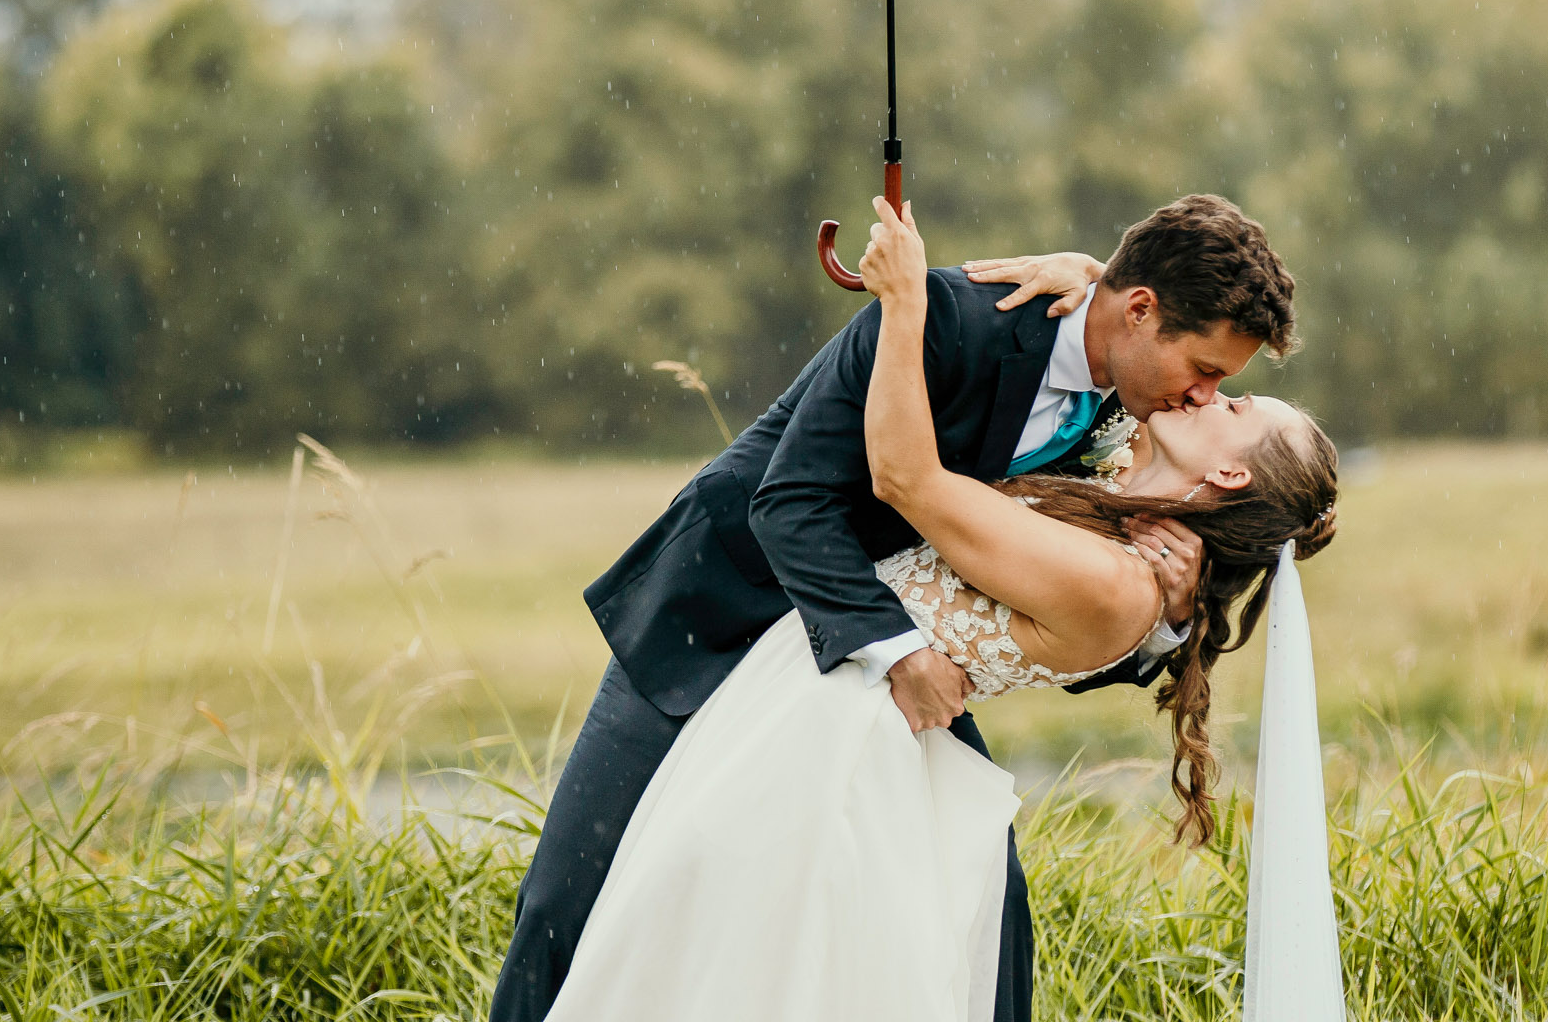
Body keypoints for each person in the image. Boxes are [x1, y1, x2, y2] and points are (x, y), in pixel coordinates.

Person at [488, 195, 1307, 1022]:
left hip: (883, 662)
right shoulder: (944, 317)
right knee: (571, 901)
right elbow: (792, 503)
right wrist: (901, 651)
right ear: (1140, 313)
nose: (1204, 397)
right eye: (1205, 371)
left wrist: (1165, 617)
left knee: (988, 922)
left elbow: (1057, 602)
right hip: (728, 607)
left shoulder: (1138, 407)